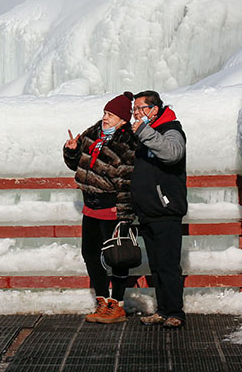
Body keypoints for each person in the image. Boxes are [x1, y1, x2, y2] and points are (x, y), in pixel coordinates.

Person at [63, 91, 137, 324]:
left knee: (117, 256)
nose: (105, 117)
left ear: (123, 120)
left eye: (111, 115)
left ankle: (117, 304)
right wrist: (72, 150)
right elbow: (76, 165)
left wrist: (124, 217)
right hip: (90, 205)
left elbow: (127, 183)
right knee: (90, 254)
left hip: (111, 207)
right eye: (105, 112)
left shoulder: (127, 144)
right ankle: (102, 300)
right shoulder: (93, 133)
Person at [130, 90, 187, 328]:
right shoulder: (146, 133)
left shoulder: (170, 129)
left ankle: (176, 312)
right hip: (148, 211)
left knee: (168, 265)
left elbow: (173, 153)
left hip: (166, 210)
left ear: (154, 109)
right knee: (156, 265)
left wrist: (144, 131)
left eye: (139, 108)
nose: (136, 114)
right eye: (134, 110)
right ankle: (163, 310)